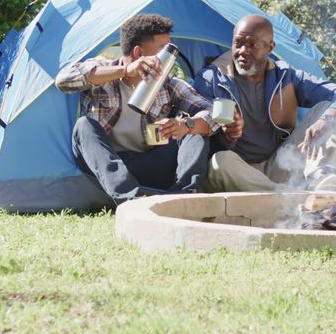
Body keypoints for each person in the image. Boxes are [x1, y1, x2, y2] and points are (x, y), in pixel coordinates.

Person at [55, 14, 218, 204]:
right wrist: (125, 71)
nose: (171, 57)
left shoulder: (167, 83)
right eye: (164, 51)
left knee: (194, 132)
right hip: (109, 167)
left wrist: (186, 125)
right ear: (139, 52)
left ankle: (185, 197)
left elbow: (212, 112)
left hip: (153, 162)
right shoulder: (102, 70)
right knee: (83, 126)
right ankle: (130, 200)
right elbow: (63, 81)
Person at [195, 14, 336, 192]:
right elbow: (197, 138)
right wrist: (226, 138)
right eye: (238, 43)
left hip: (281, 164)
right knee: (220, 162)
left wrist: (326, 121)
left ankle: (325, 185)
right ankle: (291, 199)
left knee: (329, 111)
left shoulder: (286, 77)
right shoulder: (210, 78)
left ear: (270, 48)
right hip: (239, 170)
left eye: (253, 44)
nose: (243, 50)